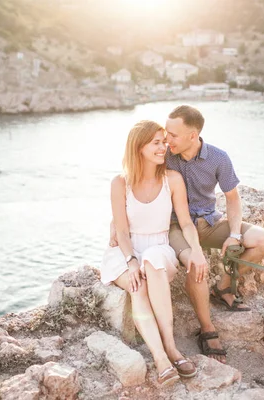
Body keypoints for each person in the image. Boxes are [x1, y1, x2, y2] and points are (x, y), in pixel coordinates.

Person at [111, 105, 264, 364]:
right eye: (165, 136)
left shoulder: (218, 158)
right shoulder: (165, 156)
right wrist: (116, 227)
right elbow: (135, 183)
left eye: (172, 135)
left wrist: (234, 234)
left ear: (193, 134)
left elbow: (233, 199)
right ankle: (207, 328)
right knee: (195, 265)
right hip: (177, 227)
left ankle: (222, 287)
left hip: (211, 222)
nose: (166, 141)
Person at [101, 120, 204, 386]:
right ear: (139, 147)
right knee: (138, 284)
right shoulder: (119, 183)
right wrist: (130, 260)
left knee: (153, 261)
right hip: (126, 250)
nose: (164, 147)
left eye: (164, 141)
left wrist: (197, 252)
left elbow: (185, 223)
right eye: (156, 143)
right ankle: (160, 359)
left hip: (159, 247)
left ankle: (171, 348)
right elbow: (121, 232)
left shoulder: (172, 179)